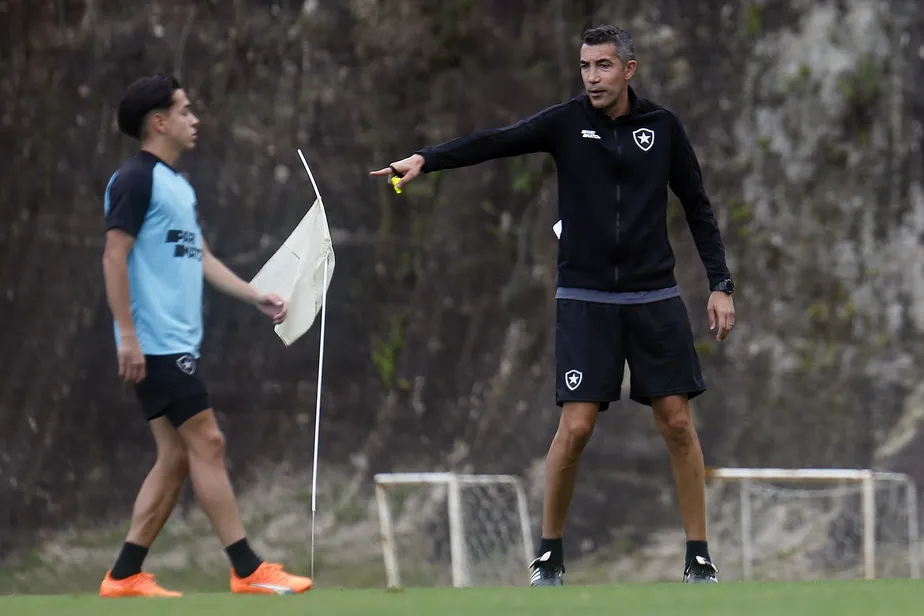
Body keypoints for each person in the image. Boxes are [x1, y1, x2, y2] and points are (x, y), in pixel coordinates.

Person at [370, 25, 735, 585]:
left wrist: (720, 284)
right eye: (586, 66)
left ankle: (699, 556)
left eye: (604, 66)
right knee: (578, 425)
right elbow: (495, 140)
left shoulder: (662, 128)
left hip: (653, 294)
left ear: (629, 71)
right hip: (585, 297)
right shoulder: (566, 123)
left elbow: (699, 207)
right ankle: (549, 554)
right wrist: (425, 159)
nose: (592, 77)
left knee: (677, 421)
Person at [99, 74, 313, 597]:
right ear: (160, 121)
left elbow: (202, 258)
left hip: (175, 343)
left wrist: (254, 295)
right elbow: (114, 256)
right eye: (185, 111)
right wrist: (127, 336)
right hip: (154, 342)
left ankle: (124, 575)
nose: (195, 120)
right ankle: (247, 567)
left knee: (175, 458)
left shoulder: (178, 185)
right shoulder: (133, 180)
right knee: (208, 442)